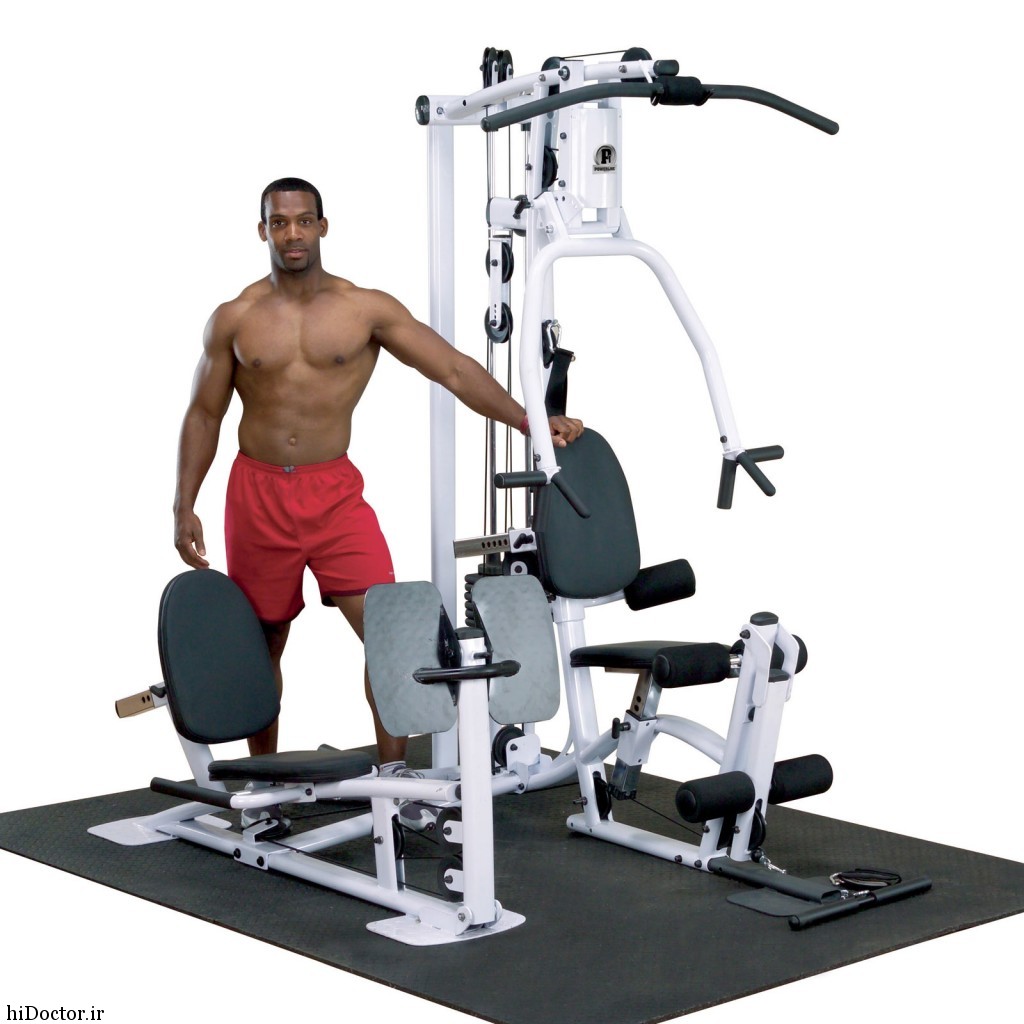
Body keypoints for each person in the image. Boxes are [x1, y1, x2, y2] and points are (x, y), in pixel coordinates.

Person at [173, 177, 583, 770]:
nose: (292, 233)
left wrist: (529, 420)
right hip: (256, 494)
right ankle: (264, 785)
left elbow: (453, 369)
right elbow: (204, 413)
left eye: (304, 220)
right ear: (263, 230)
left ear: (323, 226)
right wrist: (184, 503)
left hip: (333, 494)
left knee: (391, 634)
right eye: (279, 222)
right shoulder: (233, 319)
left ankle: (395, 780)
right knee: (263, 646)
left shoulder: (364, 309)